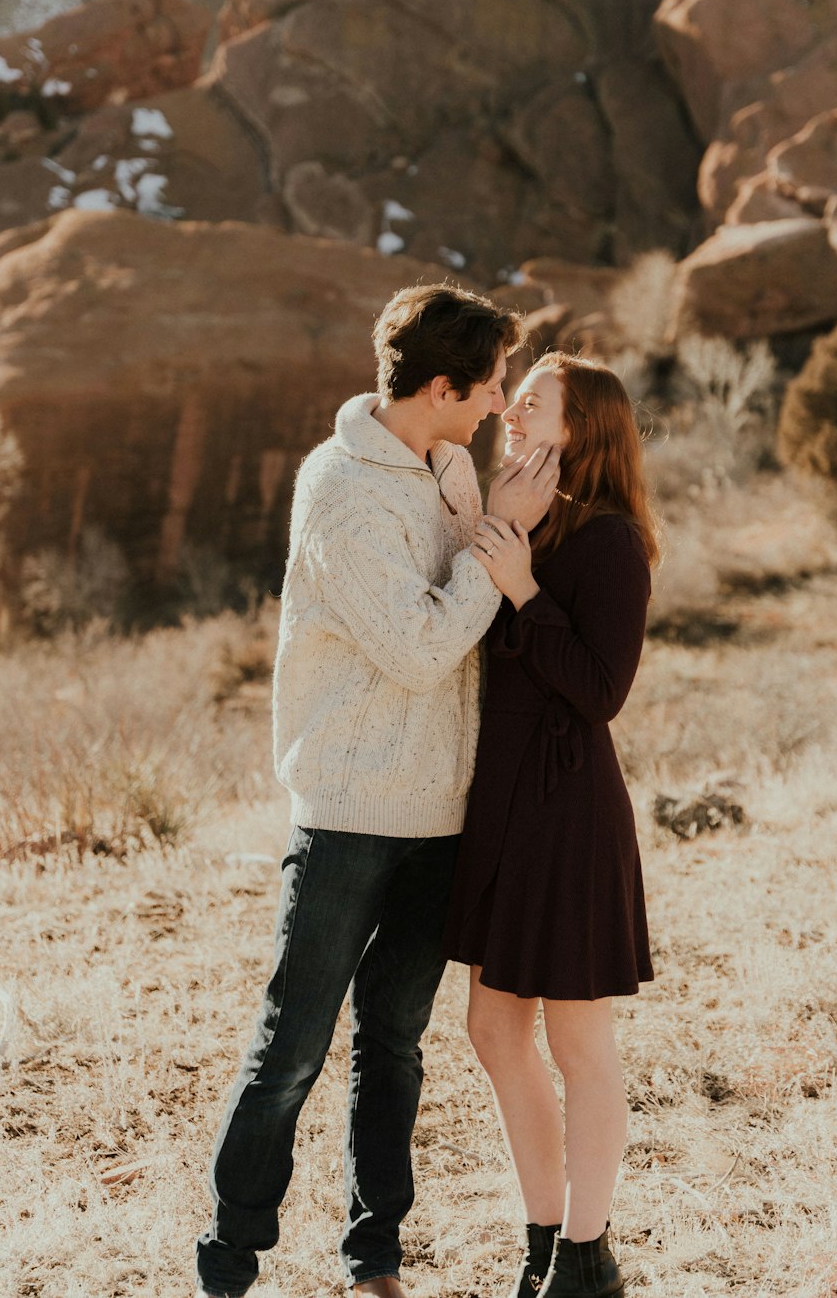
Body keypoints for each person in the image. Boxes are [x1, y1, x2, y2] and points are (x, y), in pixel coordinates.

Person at [195, 285, 561, 1298]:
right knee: (291, 1049)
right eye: (487, 387)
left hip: (441, 819)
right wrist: (503, 543)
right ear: (442, 387)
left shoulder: (447, 467)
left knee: (393, 1047)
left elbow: (467, 629)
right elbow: (415, 649)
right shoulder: (342, 493)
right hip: (350, 816)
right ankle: (227, 1264)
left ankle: (374, 1262)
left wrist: (497, 532)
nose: (497, 405)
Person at [442, 352, 660, 1298]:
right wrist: (502, 536)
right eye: (515, 397)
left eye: (534, 402)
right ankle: (545, 1238)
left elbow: (602, 694)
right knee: (493, 1027)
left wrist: (526, 586)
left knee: (580, 1044)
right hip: (503, 809)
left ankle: (587, 1252)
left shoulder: (611, 542)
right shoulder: (522, 517)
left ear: (582, 429)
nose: (514, 410)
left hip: (568, 810)